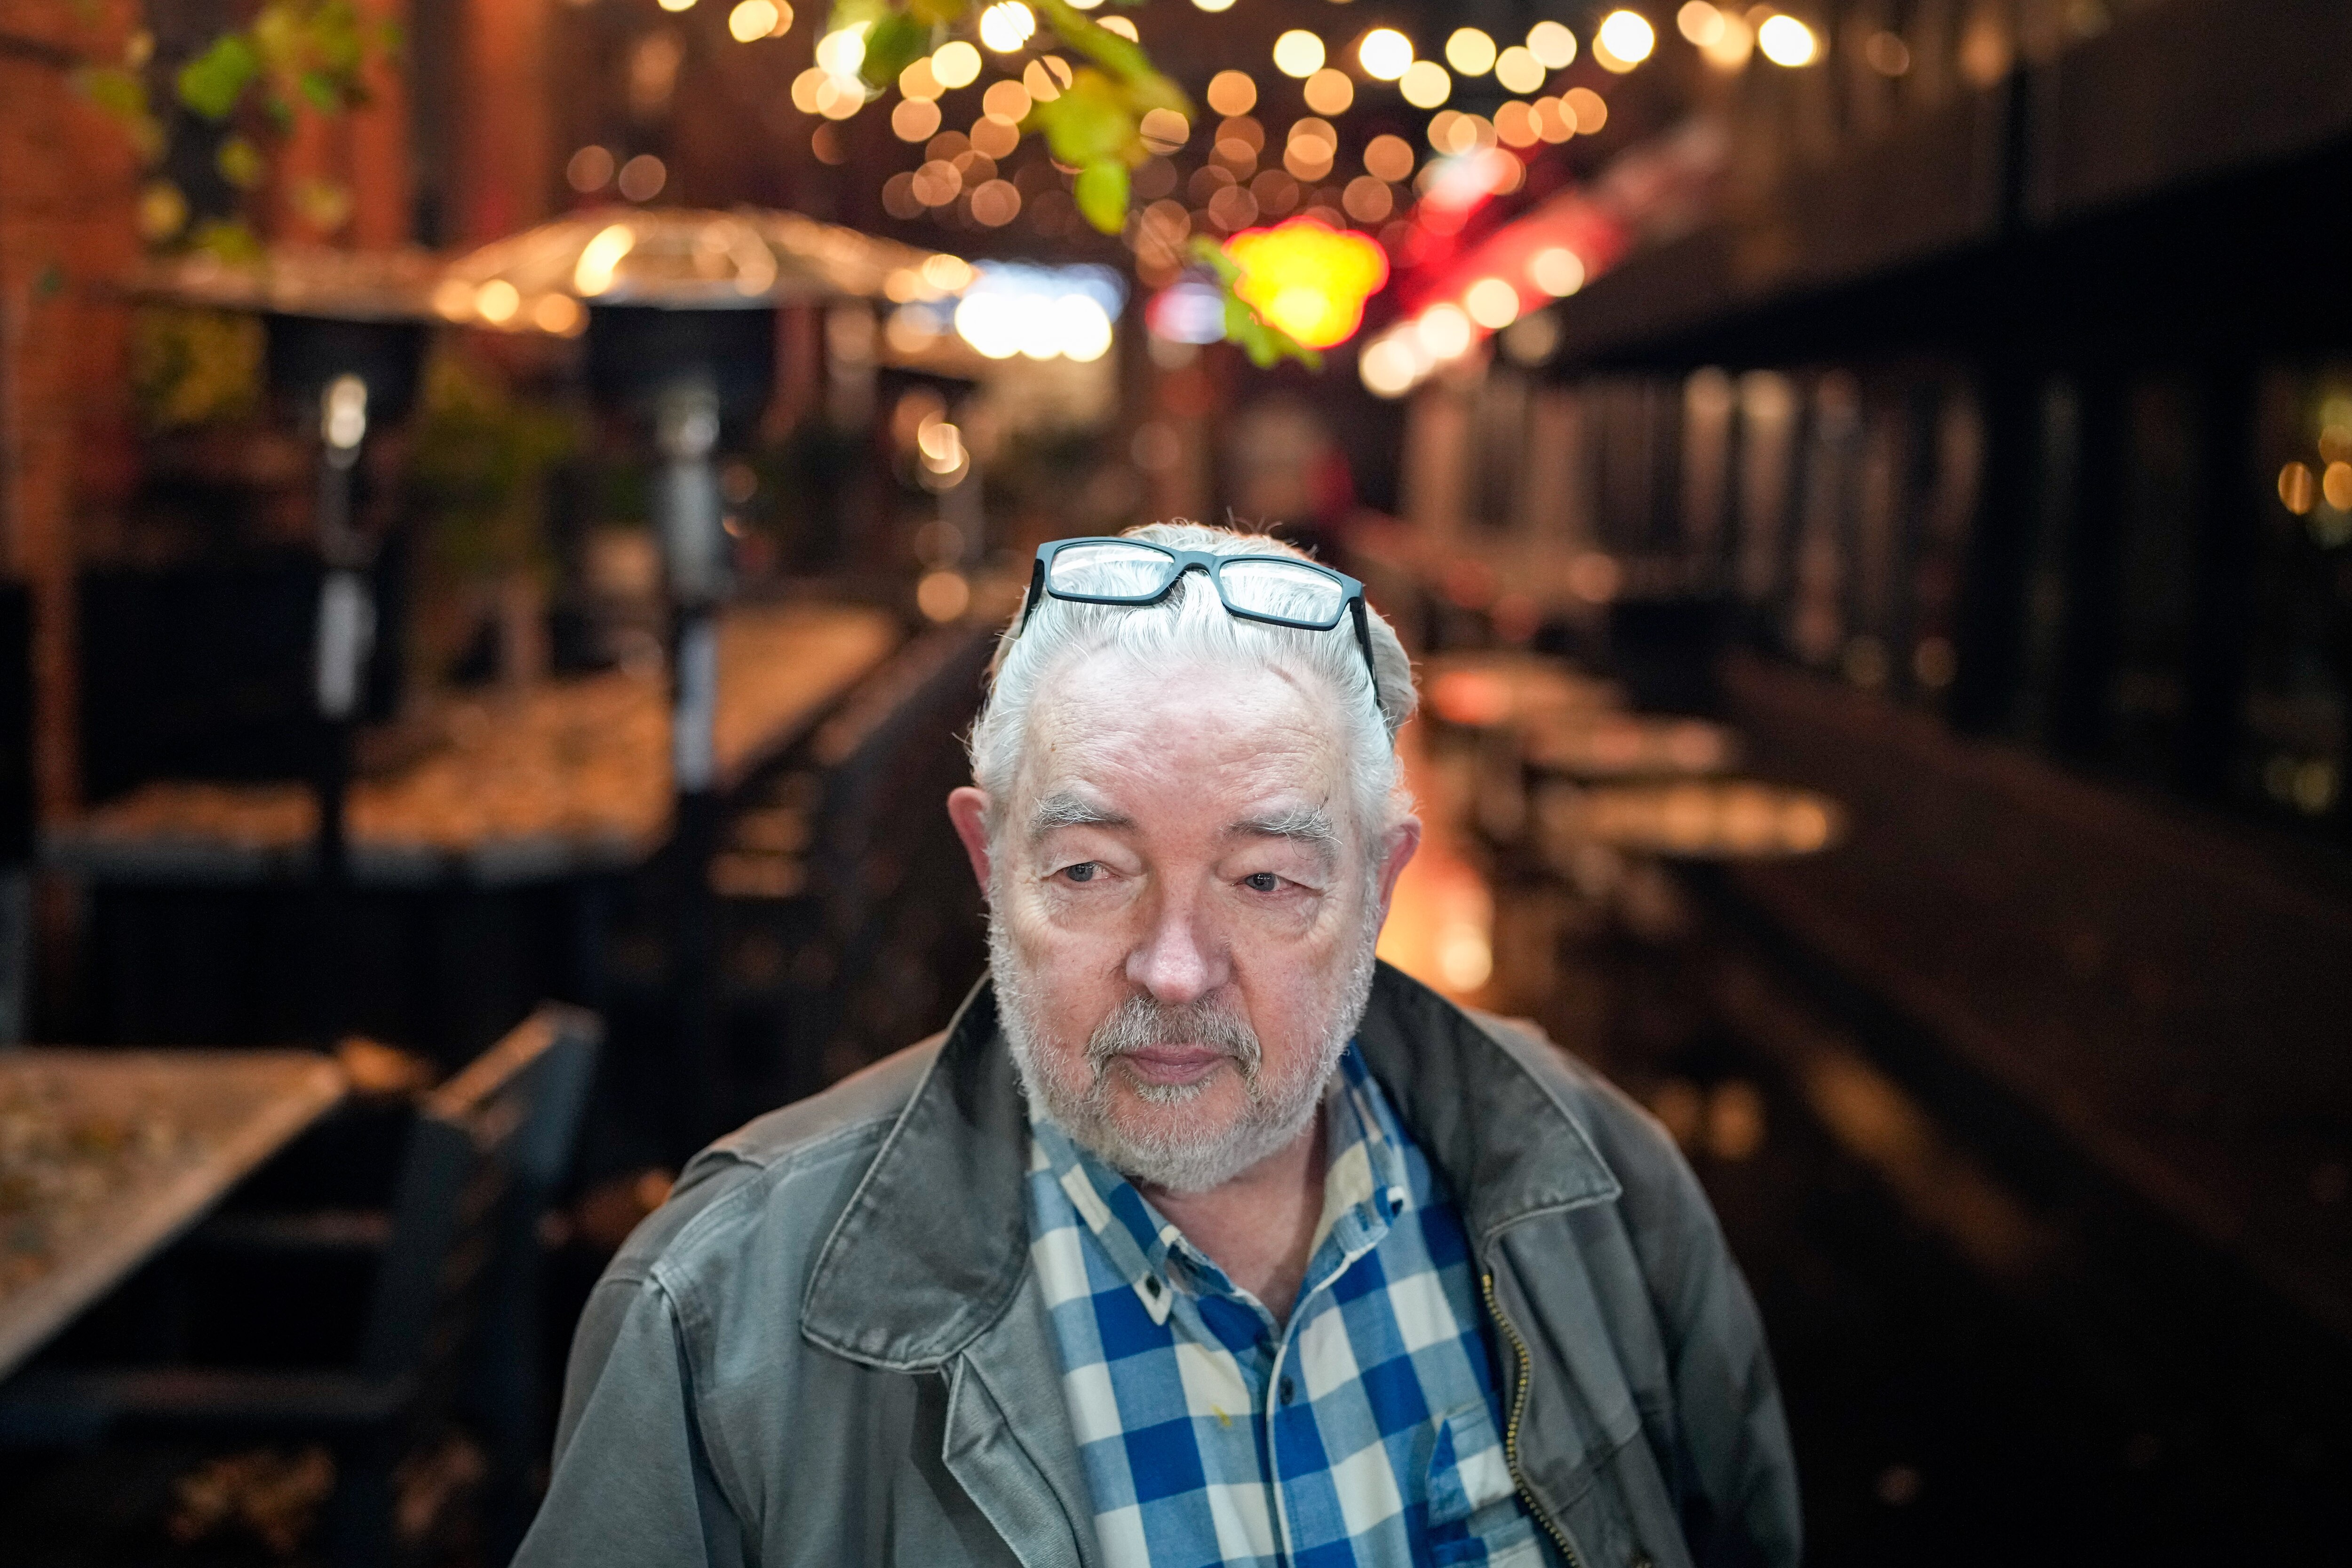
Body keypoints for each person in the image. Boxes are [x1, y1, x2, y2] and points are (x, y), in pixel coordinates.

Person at [514, 523, 1800, 1568]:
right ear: (987, 859)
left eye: (1266, 881)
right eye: (1088, 869)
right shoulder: (718, 1318)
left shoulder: (1607, 1193)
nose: (1173, 969)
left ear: (1379, 882)